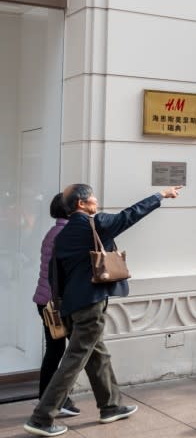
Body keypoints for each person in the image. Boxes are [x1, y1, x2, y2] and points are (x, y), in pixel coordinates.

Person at [24, 184, 182, 437]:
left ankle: (111, 406)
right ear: (81, 204)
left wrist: (60, 306)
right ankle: (42, 417)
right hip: (90, 304)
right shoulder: (96, 224)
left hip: (70, 306)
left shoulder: (61, 236)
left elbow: (56, 276)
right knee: (75, 359)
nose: (96, 200)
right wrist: (160, 195)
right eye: (92, 197)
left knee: (98, 355)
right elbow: (131, 214)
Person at [31, 194, 79, 418]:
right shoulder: (66, 234)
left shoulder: (54, 232)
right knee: (70, 351)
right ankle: (56, 400)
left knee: (57, 350)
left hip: (47, 302)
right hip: (56, 305)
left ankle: (48, 398)